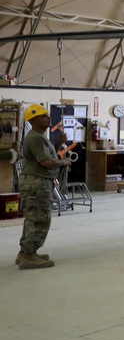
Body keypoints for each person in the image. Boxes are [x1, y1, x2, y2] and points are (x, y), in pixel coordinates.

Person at [16, 104, 70, 269]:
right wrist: (64, 161)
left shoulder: (39, 137)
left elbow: (47, 155)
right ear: (34, 120)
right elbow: (46, 162)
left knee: (32, 218)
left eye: (47, 115)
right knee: (40, 218)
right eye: (44, 116)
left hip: (36, 182)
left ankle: (25, 252)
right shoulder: (36, 137)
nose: (48, 117)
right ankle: (29, 256)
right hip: (37, 183)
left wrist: (59, 144)